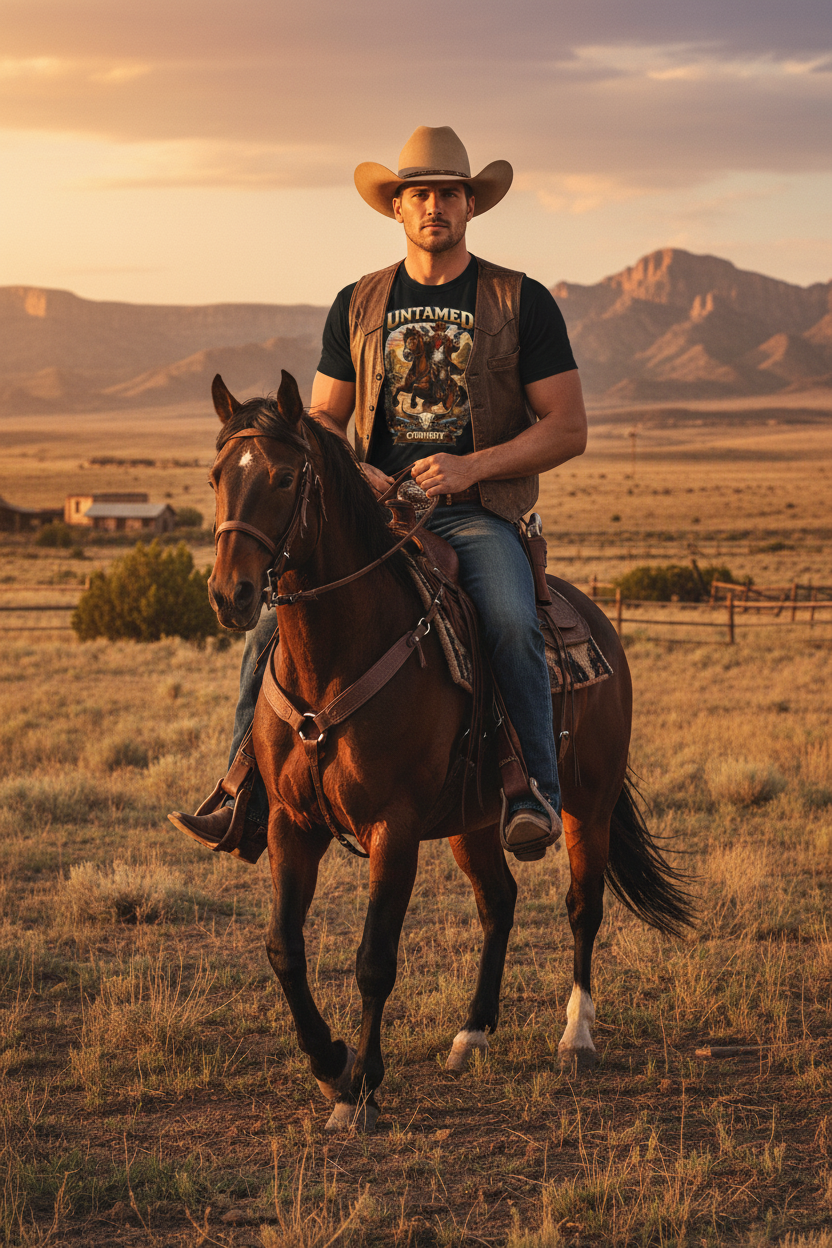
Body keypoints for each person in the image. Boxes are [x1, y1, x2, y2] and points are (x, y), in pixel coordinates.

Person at [170, 125, 587, 861]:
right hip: (379, 519)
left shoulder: (518, 300)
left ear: (470, 206)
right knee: (276, 623)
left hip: (475, 515)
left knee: (507, 618)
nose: (435, 206)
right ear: (397, 208)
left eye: (450, 193)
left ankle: (532, 793)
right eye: (419, 194)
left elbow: (567, 427)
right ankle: (242, 791)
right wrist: (355, 468)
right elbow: (325, 417)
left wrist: (471, 466)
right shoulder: (358, 303)